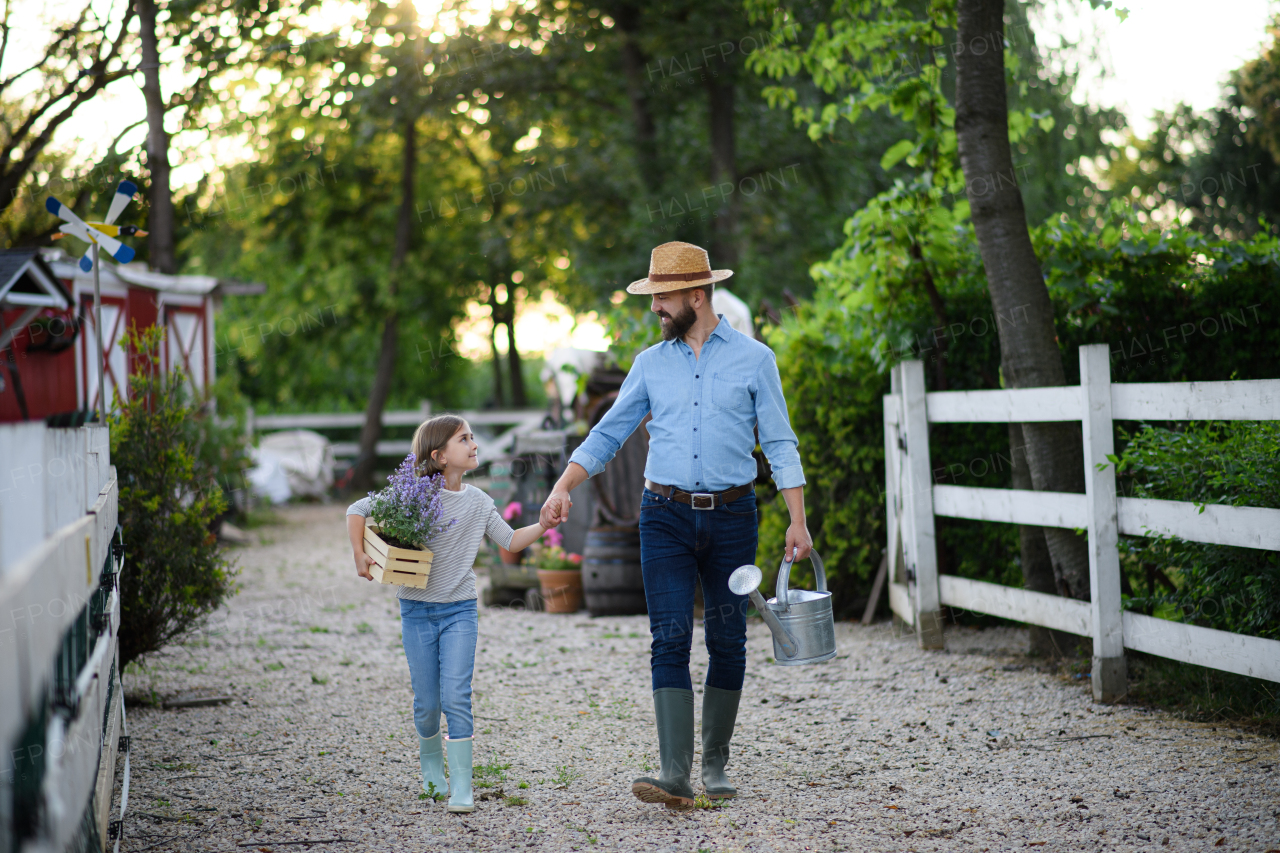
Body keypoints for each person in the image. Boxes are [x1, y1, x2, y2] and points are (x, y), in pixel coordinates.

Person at [540, 241, 811, 811]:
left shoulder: (755, 359)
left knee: (729, 640)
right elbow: (608, 434)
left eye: (662, 298)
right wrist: (564, 485)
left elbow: (780, 442)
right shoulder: (648, 364)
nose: (655, 308)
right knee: (668, 637)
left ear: (696, 295)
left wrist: (797, 520)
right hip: (662, 516)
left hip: (735, 517)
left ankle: (714, 764)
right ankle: (673, 772)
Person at [346, 415, 557, 813]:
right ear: (439, 455)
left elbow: (510, 540)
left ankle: (463, 786)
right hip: (416, 611)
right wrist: (360, 553)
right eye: (464, 439)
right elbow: (357, 508)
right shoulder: (412, 496)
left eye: (473, 437)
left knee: (456, 697)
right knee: (427, 703)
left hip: (460, 611)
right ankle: (431, 767)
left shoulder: (479, 502)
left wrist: (543, 524)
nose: (474, 444)